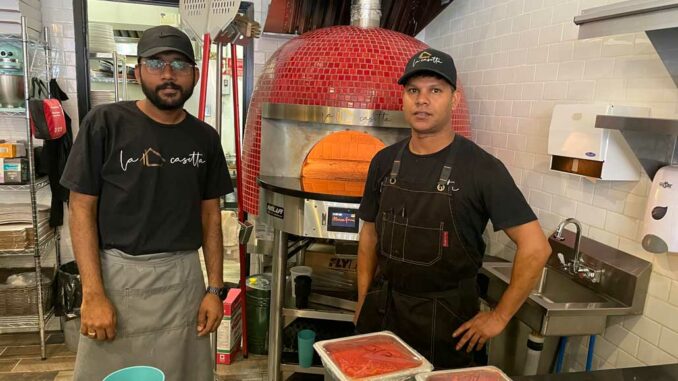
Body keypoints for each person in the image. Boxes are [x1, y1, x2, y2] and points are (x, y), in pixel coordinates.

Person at [354, 48, 552, 369]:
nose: (422, 100)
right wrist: (364, 298)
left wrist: (498, 317)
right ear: (403, 98)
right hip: (383, 311)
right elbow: (370, 235)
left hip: (447, 323)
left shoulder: (483, 169)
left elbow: (536, 248)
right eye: (413, 90)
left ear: (454, 100)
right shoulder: (383, 162)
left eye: (435, 90)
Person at [61, 25, 233, 381]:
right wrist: (92, 295)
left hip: (183, 281)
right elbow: (80, 209)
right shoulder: (105, 124)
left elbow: (211, 216)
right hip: (118, 277)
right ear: (137, 71)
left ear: (196, 75)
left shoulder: (204, 138)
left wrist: (214, 290)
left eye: (180, 65)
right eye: (156, 63)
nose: (168, 74)